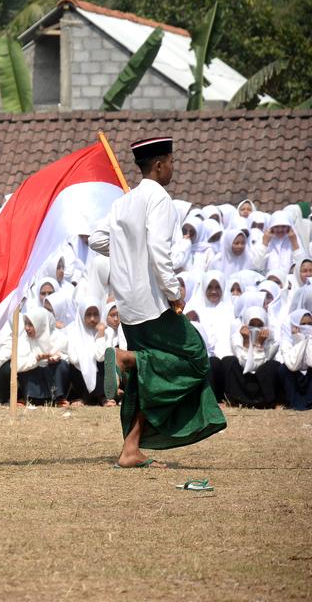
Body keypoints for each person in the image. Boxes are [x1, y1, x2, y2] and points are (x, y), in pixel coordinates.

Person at [89, 137, 226, 468]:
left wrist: (126, 250)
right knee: (195, 359)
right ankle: (123, 359)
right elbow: (159, 253)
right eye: (172, 162)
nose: (173, 168)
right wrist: (174, 292)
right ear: (160, 164)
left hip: (128, 304)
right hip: (152, 301)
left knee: (144, 373)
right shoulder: (160, 199)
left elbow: (96, 239)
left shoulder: (124, 202)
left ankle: (130, 449)